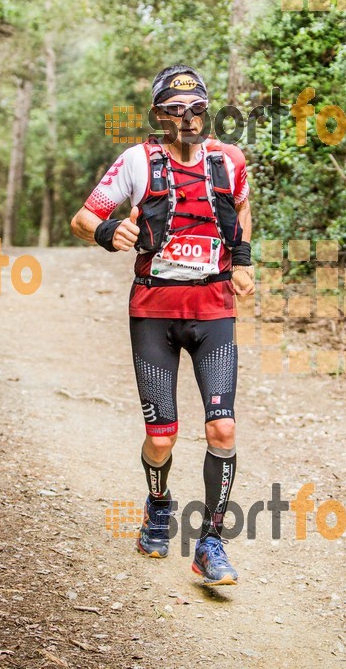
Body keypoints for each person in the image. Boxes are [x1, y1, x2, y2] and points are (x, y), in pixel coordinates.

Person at [71, 65, 255, 585]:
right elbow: (83, 220)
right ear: (159, 115)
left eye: (197, 108)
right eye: (176, 110)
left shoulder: (228, 160)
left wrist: (242, 260)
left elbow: (241, 209)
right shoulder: (136, 161)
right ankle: (158, 503)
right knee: (162, 439)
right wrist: (109, 232)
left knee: (222, 427)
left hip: (214, 309)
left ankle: (211, 543)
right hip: (152, 312)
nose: (189, 118)